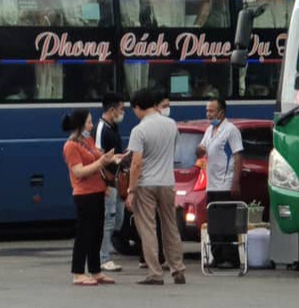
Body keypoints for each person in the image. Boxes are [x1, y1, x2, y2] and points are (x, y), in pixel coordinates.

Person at [125, 86, 186, 285]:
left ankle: (155, 272)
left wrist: (131, 190)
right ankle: (178, 269)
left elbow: (136, 163)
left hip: (145, 184)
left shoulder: (139, 130)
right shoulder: (171, 125)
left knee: (148, 228)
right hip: (167, 182)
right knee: (170, 226)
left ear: (137, 107)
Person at [62, 108, 117, 286]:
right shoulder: (71, 146)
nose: (92, 126)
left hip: (98, 190)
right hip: (84, 194)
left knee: (97, 233)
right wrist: (100, 162)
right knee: (84, 234)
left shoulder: (88, 140)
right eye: (89, 122)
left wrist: (113, 158)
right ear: (80, 125)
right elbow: (79, 171)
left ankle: (96, 270)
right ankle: (78, 272)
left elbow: (100, 158)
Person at [199, 96, 245, 268]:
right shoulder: (209, 131)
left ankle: (230, 258)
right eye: (207, 111)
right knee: (214, 223)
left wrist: (236, 181)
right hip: (212, 184)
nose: (208, 114)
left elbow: (238, 156)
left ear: (221, 112)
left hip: (225, 184)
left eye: (211, 111)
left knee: (226, 223)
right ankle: (217, 257)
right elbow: (201, 149)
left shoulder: (231, 130)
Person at [94, 94, 125, 273]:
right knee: (108, 219)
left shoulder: (113, 127)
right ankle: (103, 257)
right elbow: (98, 158)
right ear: (112, 110)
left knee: (117, 218)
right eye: (121, 109)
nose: (123, 113)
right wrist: (104, 183)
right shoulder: (102, 129)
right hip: (107, 181)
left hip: (117, 179)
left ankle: (105, 248)